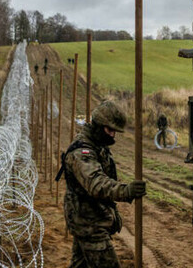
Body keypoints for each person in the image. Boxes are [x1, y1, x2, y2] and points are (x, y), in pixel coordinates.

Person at [57, 101, 147, 267]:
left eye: (115, 131)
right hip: (88, 222)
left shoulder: (97, 145)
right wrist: (126, 191)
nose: (113, 135)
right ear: (98, 125)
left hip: (89, 219)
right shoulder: (82, 152)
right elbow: (97, 184)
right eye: (109, 130)